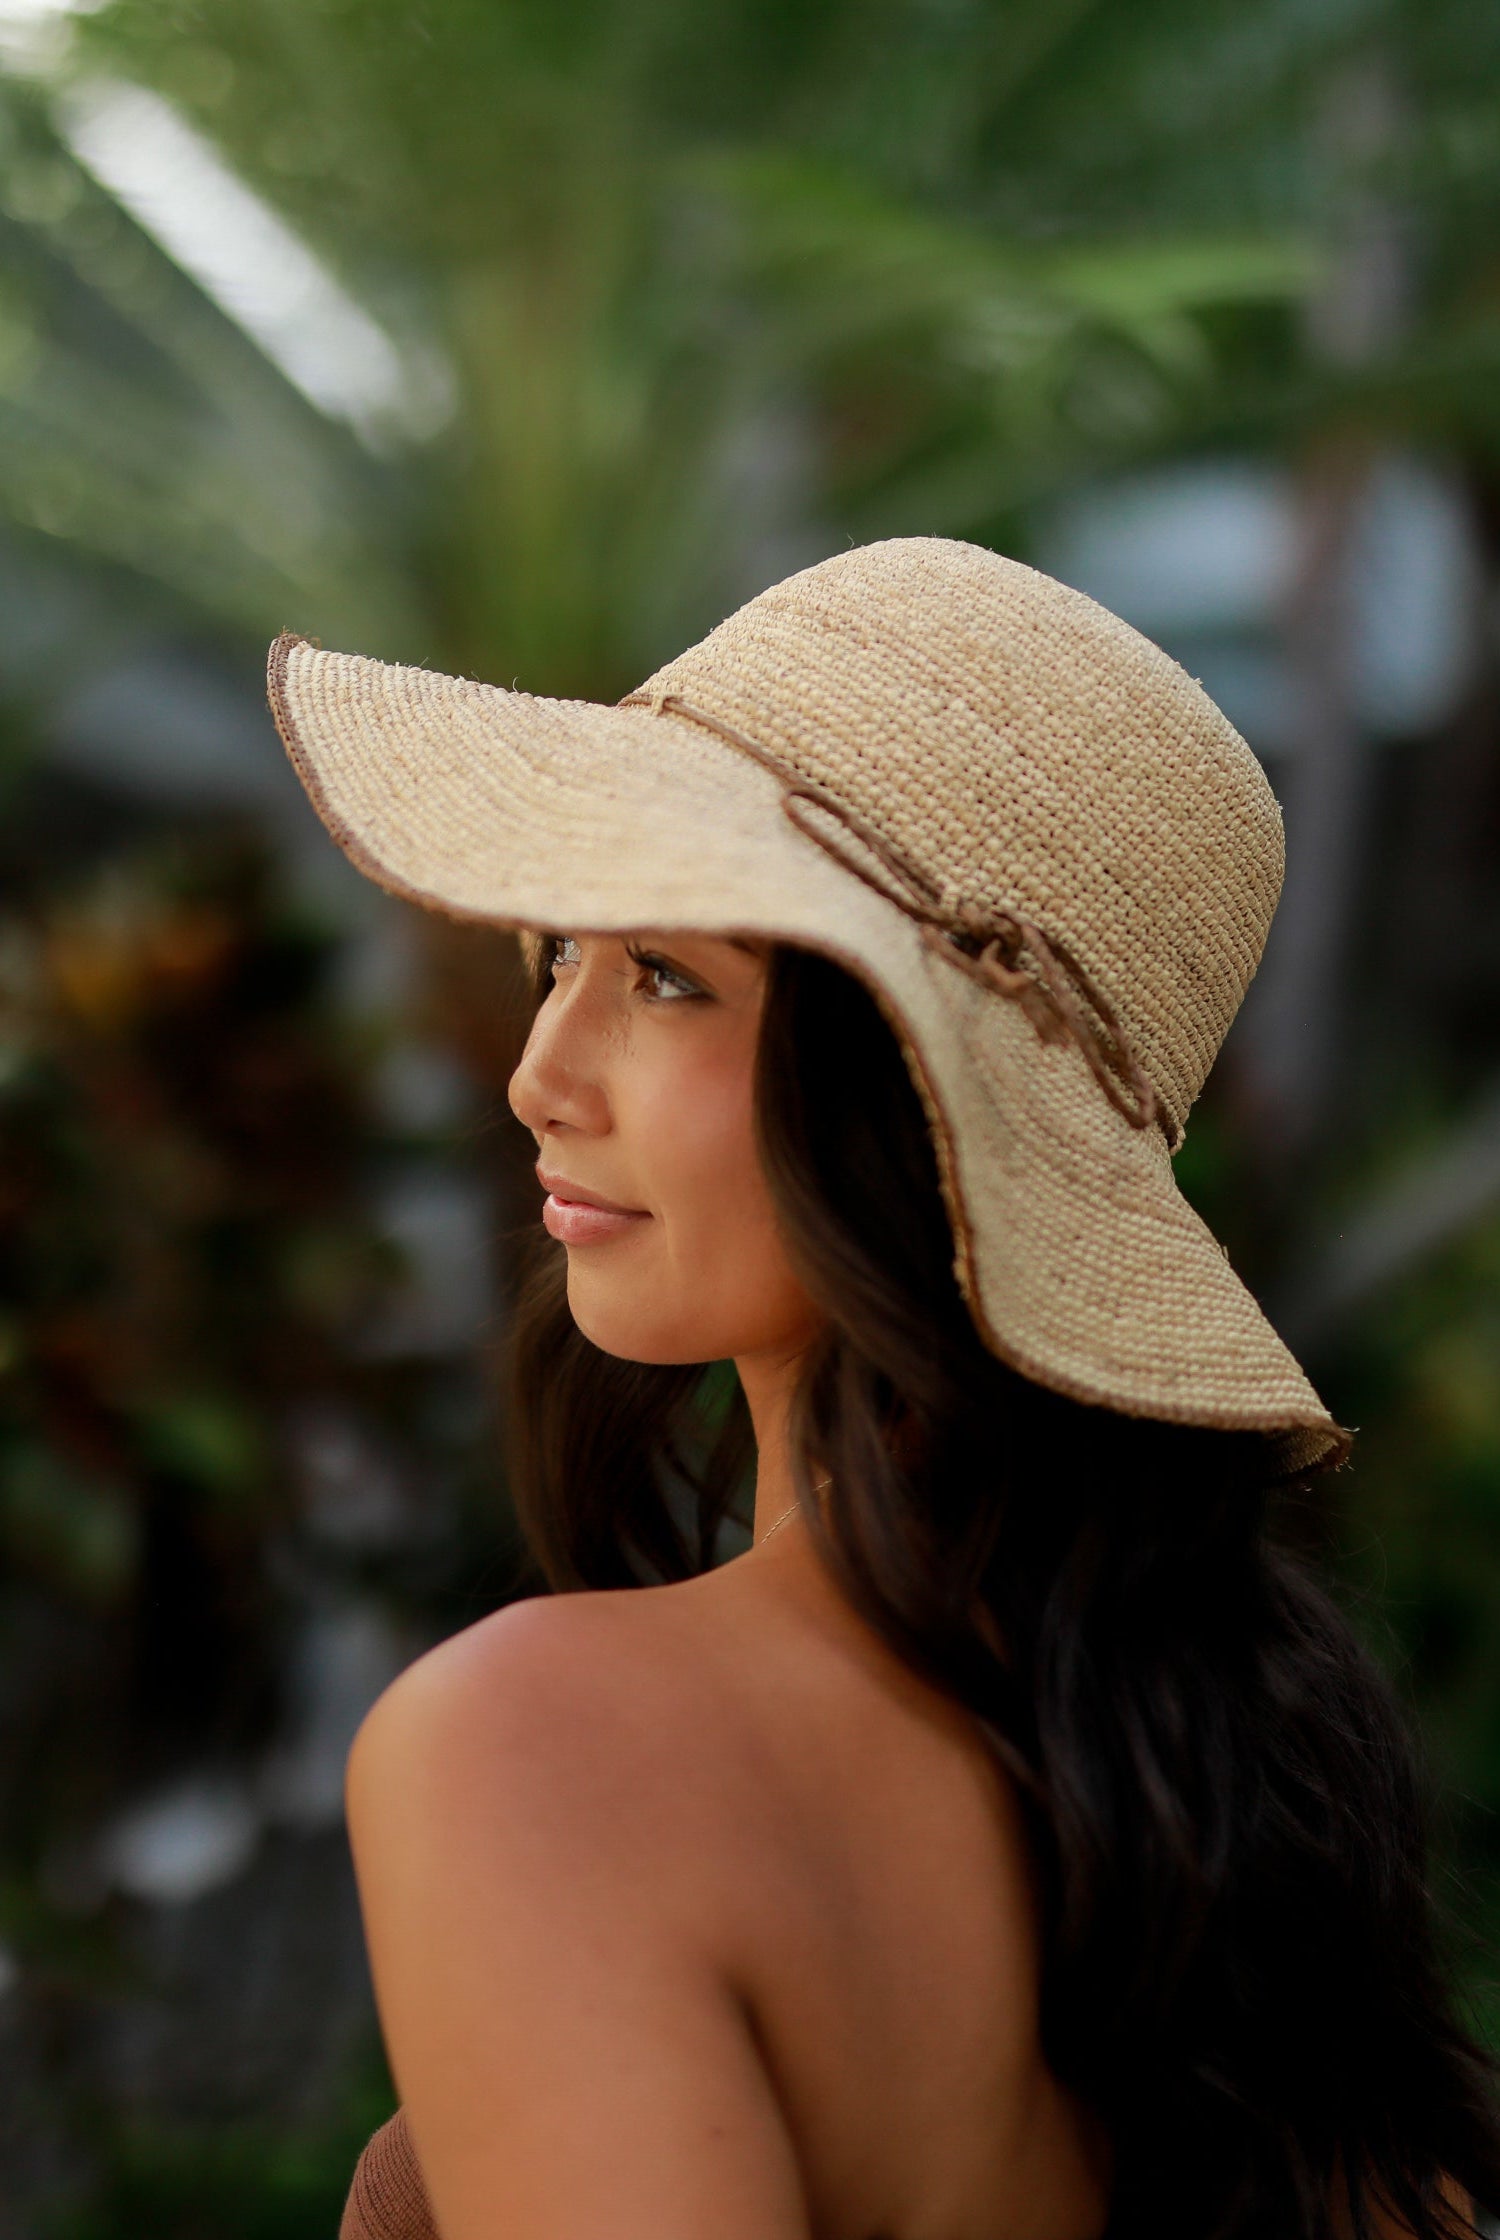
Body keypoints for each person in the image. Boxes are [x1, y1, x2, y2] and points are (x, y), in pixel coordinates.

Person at [268, 539, 1500, 2240]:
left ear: (909, 1108)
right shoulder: (1242, 1802)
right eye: (562, 951)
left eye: (671, 977)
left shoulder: (541, 1749)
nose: (539, 1072)